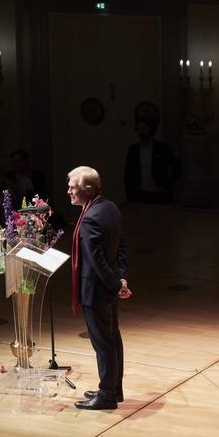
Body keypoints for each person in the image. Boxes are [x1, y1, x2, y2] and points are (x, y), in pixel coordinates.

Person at [67, 166, 131, 410]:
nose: (68, 191)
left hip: (96, 291)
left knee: (104, 344)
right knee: (112, 338)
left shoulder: (90, 218)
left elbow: (98, 262)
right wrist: (121, 279)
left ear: (88, 189)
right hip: (109, 288)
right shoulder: (109, 207)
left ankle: (106, 395)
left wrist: (117, 285)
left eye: (73, 187)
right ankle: (114, 389)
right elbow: (121, 246)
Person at [124, 117, 182, 204]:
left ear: (151, 129)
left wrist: (166, 186)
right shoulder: (133, 150)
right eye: (138, 128)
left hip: (159, 195)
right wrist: (130, 195)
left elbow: (177, 168)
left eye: (144, 128)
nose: (140, 132)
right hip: (139, 195)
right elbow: (128, 174)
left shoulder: (162, 148)